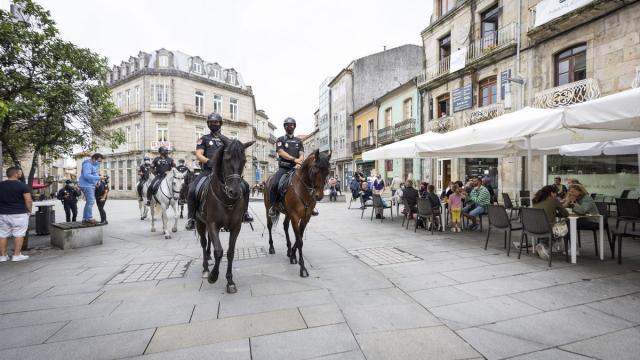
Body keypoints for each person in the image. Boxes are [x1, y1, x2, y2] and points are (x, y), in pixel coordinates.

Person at [185, 112, 253, 230]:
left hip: (223, 173)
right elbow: (198, 154)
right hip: (207, 170)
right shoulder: (204, 139)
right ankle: (191, 218)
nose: (214, 124)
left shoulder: (227, 140)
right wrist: (208, 161)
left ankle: (245, 213)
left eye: (216, 122)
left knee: (245, 186)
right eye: (211, 122)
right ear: (208, 124)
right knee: (192, 189)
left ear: (220, 124)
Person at [268, 117, 314, 217]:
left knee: (311, 183)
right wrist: (294, 160)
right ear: (285, 127)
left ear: (294, 126)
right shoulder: (280, 139)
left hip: (297, 168)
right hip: (284, 168)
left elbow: (301, 154)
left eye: (292, 125)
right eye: (288, 125)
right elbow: (281, 152)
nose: (290, 127)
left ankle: (311, 206)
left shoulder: (299, 141)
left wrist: (299, 162)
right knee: (274, 184)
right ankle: (273, 206)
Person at [0, 167, 32, 262]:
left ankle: (3, 256)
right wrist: (29, 210)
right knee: (19, 234)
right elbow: (28, 200)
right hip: (19, 213)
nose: (21, 174)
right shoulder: (22, 186)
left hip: (2, 214)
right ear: (15, 174)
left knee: (2, 235)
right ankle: (16, 255)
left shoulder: (0, 185)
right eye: (20, 173)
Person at [532, 185, 569, 260]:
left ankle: (543, 246)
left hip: (533, 227)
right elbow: (565, 214)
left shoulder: (536, 200)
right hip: (547, 228)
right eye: (555, 193)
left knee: (551, 226)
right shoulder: (553, 200)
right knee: (563, 228)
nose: (556, 195)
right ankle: (544, 245)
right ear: (552, 193)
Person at [79, 153, 104, 225]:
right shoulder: (87, 165)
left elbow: (94, 174)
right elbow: (86, 175)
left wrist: (97, 182)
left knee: (89, 202)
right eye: (98, 161)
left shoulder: (93, 165)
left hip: (90, 185)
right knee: (91, 201)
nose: (99, 163)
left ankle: (85, 218)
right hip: (86, 185)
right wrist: (99, 178)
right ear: (93, 159)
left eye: (100, 162)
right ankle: (88, 218)